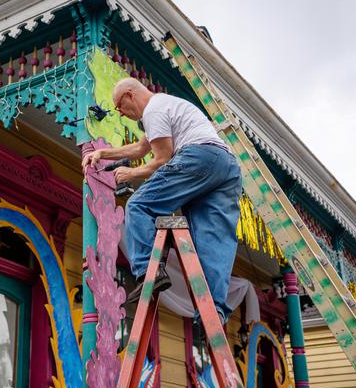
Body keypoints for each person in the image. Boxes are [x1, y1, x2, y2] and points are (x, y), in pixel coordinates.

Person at [82, 77, 242, 324]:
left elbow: (162, 158)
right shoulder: (164, 107)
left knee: (138, 205)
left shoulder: (154, 110)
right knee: (212, 239)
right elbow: (140, 149)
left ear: (129, 95)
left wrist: (131, 173)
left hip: (199, 158)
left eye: (119, 107)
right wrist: (103, 153)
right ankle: (214, 310)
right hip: (226, 166)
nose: (122, 115)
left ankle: (150, 270)